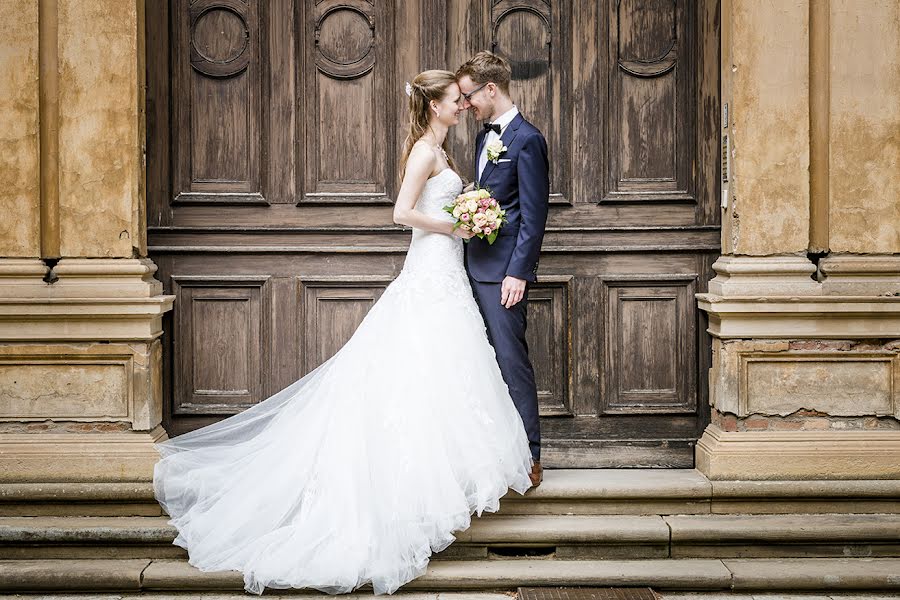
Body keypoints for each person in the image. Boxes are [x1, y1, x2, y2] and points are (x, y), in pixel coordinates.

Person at [152, 69, 533, 596]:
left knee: (439, 373)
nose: (463, 105)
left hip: (447, 271)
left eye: (464, 99)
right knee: (418, 367)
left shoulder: (444, 152)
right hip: (429, 267)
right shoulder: (425, 151)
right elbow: (401, 213)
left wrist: (465, 218)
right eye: (454, 99)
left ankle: (433, 488)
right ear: (434, 106)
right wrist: (454, 225)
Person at [456, 52, 550, 486]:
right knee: (478, 366)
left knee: (512, 363)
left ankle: (530, 458)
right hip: (469, 268)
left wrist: (519, 273)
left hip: (503, 277)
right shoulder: (482, 139)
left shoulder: (528, 140)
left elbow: (533, 216)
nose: (466, 105)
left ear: (490, 89)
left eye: (470, 96)